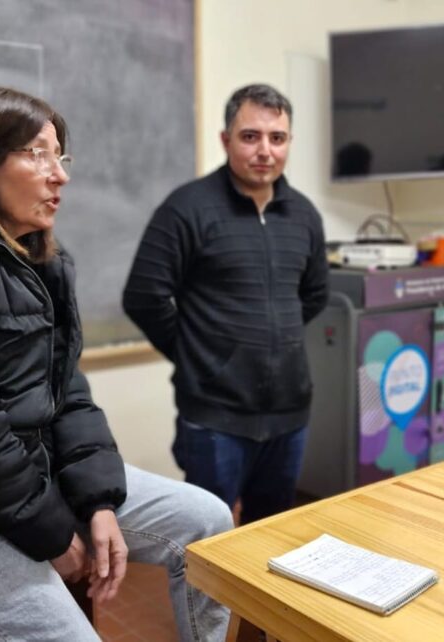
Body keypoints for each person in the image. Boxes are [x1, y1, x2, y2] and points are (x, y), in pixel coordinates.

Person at [0, 86, 233, 642]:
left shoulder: (42, 259)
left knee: (208, 521)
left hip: (27, 479)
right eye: (37, 155)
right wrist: (52, 535)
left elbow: (67, 392)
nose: (61, 176)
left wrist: (98, 501)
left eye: (61, 156)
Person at [123, 83, 329, 524]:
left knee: (271, 535)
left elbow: (315, 295)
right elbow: (143, 296)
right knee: (209, 539)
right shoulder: (187, 208)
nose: (265, 151)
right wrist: (201, 355)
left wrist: (276, 339)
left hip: (289, 415)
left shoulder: (304, 215)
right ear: (226, 140)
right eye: (250, 136)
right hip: (215, 419)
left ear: (289, 142)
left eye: (277, 138)